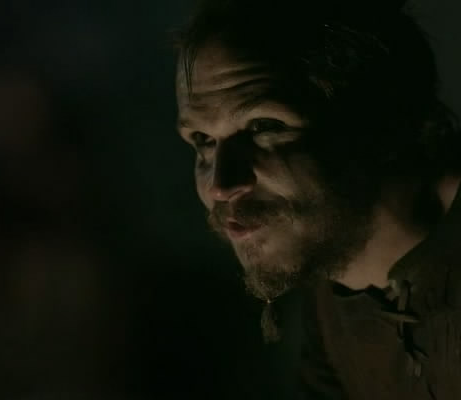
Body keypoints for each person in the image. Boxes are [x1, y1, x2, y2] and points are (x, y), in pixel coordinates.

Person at [174, 0, 461, 398]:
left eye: (263, 126)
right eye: (203, 140)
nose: (221, 186)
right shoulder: (329, 282)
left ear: (378, 124)